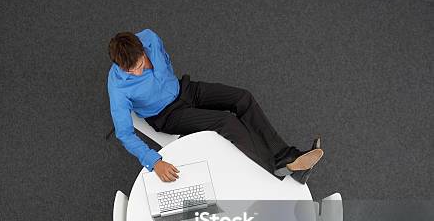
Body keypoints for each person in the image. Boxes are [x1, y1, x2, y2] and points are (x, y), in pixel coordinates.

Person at [107, 29, 323, 184]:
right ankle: (274, 169)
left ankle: (288, 157)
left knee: (242, 98)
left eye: (139, 65)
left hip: (184, 89)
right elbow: (124, 133)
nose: (136, 72)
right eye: (130, 71)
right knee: (226, 122)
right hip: (167, 115)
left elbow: (165, 58)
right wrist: (154, 161)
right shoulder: (118, 88)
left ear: (142, 50)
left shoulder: (150, 38)